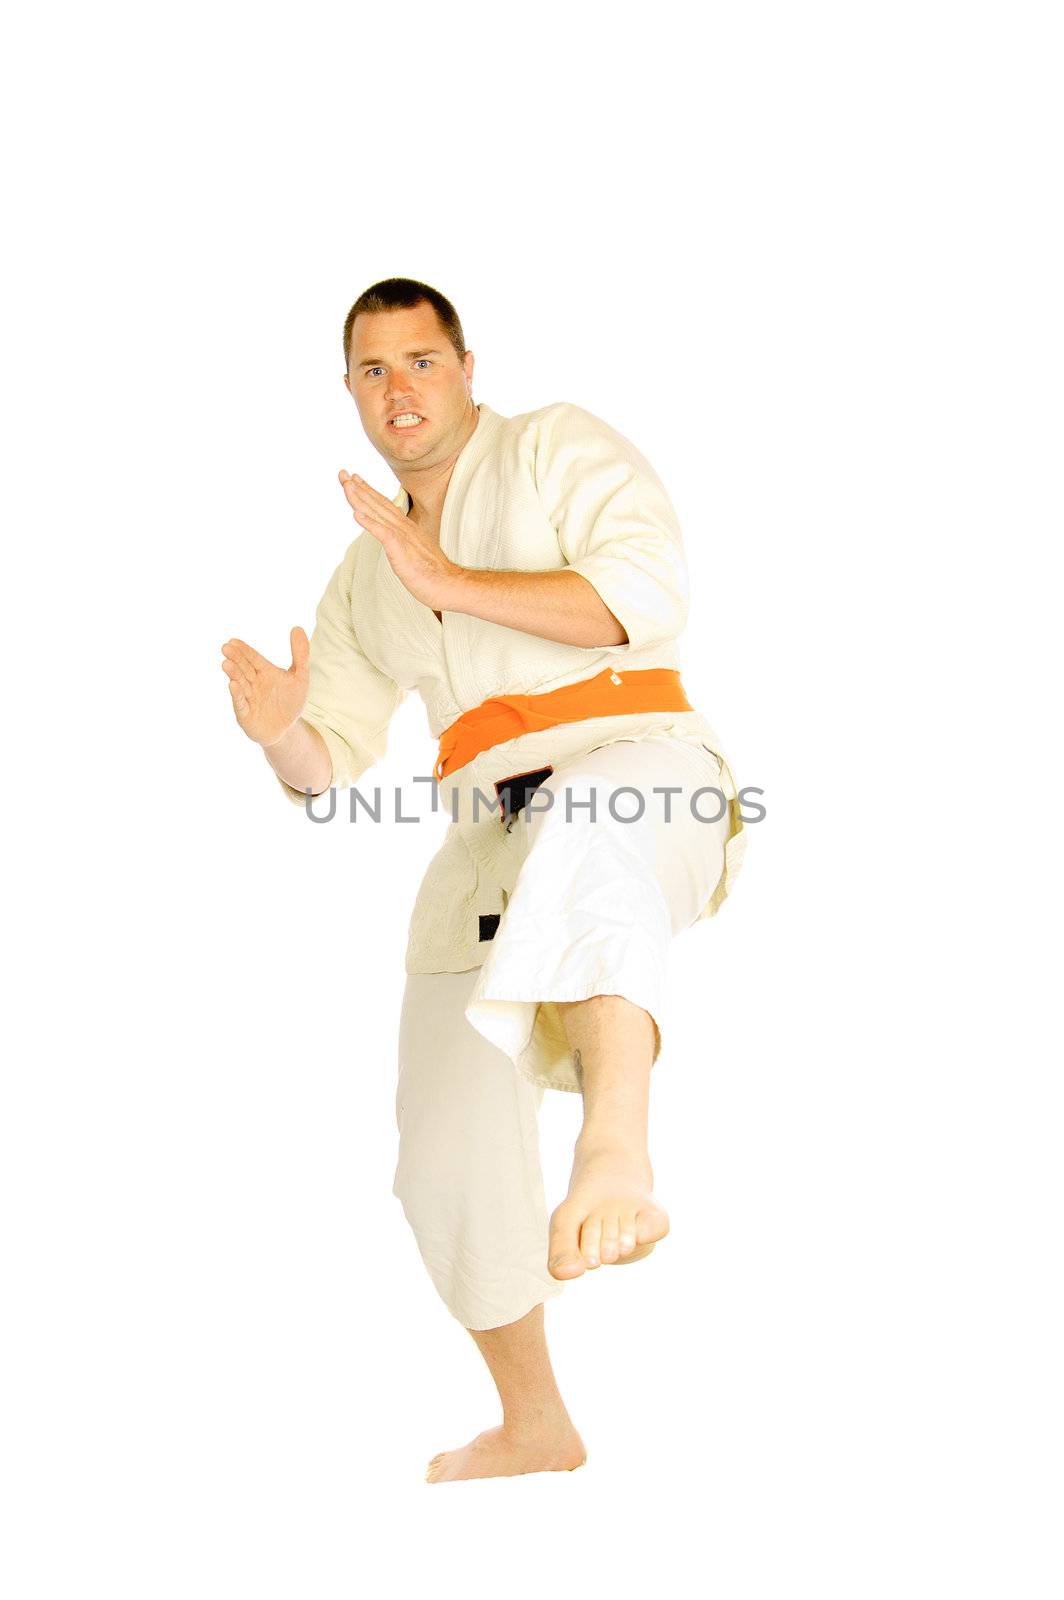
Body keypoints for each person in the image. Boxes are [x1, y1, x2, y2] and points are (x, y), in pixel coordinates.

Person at [220, 277, 747, 1484]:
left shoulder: (558, 445)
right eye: (372, 370)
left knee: (594, 834)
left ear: (464, 365)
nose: (398, 389)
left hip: (638, 768)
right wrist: (282, 731)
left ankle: (616, 1147)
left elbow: (641, 596)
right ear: (348, 392)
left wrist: (447, 577)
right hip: (481, 843)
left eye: (419, 361)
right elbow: (329, 761)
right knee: (441, 1155)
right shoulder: (361, 578)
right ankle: (535, 1422)